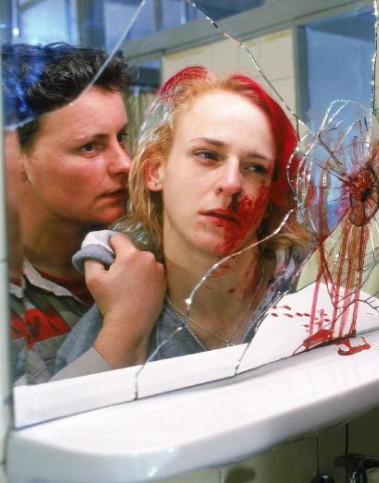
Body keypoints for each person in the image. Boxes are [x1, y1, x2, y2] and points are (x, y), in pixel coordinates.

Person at [54, 66, 314, 378]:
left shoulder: (313, 292)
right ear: (155, 171)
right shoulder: (106, 336)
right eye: (207, 155)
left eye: (256, 168)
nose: (232, 184)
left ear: (272, 190)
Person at [1, 42, 143, 384]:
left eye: (122, 137)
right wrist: (127, 321)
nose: (124, 164)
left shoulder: (145, 251)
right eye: (89, 147)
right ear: (15, 159)